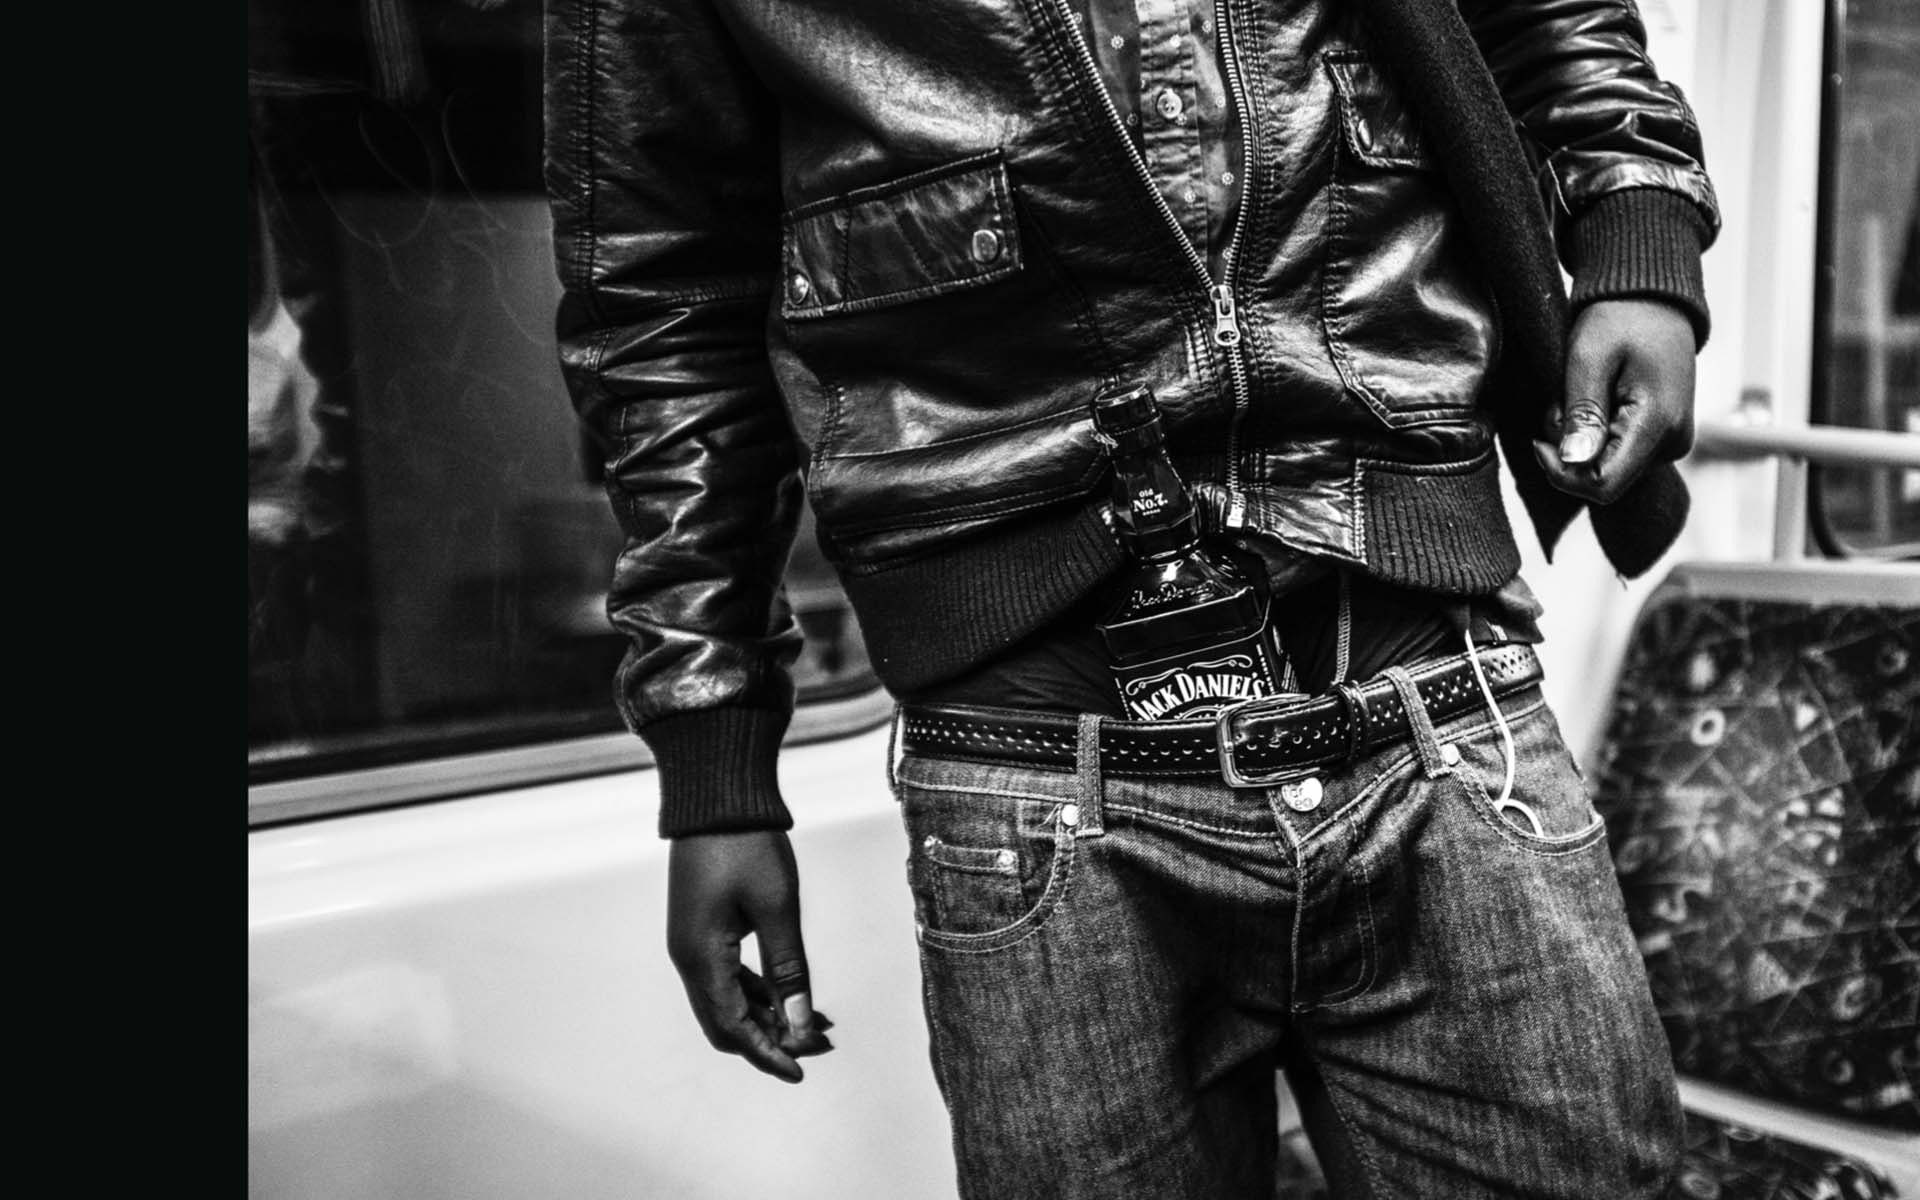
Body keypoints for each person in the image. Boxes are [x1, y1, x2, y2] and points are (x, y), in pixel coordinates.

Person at [542, 0, 1717, 1194]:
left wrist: (1640, 231)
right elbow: (661, 312)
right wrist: (714, 752)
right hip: (1033, 759)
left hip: (1438, 691)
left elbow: (1553, 19)